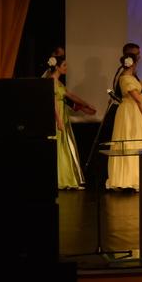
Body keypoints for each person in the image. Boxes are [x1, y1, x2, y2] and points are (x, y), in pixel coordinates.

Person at [106, 52, 142, 191]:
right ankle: (129, 179)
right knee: (130, 141)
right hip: (130, 113)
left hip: (133, 112)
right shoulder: (125, 79)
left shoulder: (130, 78)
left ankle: (137, 178)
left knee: (136, 142)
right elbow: (138, 100)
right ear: (133, 63)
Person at [46, 55, 96, 189]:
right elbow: (53, 103)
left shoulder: (59, 82)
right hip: (57, 116)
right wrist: (58, 120)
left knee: (64, 145)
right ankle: (61, 179)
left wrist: (86, 105)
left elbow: (71, 96)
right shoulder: (51, 81)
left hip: (63, 115)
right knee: (59, 145)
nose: (66, 68)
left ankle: (65, 177)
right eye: (64, 65)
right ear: (57, 67)